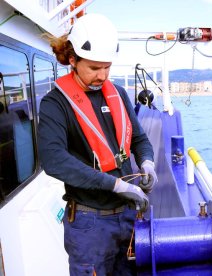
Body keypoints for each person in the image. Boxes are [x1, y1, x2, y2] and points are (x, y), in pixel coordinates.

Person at [38, 13, 158, 275]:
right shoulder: (54, 104)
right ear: (73, 60)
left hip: (128, 215)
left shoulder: (119, 94)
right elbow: (54, 160)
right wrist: (115, 184)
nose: (102, 75)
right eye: (94, 68)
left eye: (107, 67)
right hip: (89, 225)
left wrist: (147, 161)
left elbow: (138, 138)